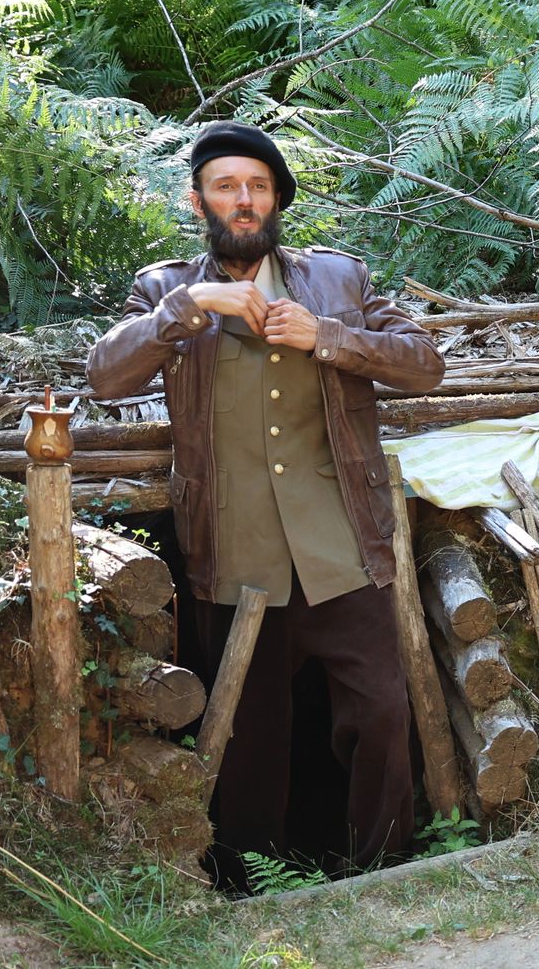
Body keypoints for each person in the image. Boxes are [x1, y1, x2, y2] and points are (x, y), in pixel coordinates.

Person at [87, 121, 444, 887]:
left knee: (381, 711)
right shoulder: (163, 289)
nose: (242, 200)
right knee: (249, 739)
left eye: (256, 186)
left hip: (343, 545)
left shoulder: (339, 280)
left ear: (277, 196)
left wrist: (331, 335)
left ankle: (384, 872)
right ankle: (251, 886)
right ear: (198, 200)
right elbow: (105, 376)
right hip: (232, 549)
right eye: (226, 186)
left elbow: (426, 364)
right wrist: (184, 310)